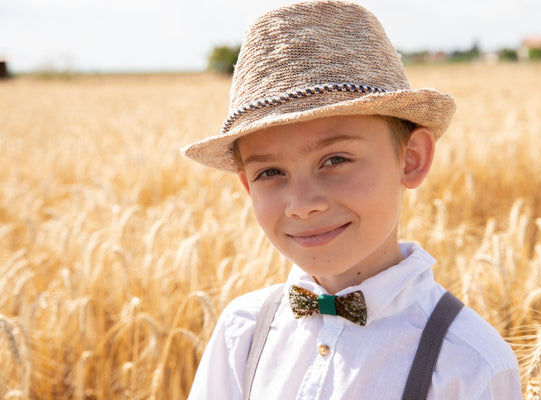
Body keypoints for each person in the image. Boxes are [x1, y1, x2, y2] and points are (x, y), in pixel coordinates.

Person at [182, 1, 522, 399]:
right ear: (247, 186)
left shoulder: (467, 364)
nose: (301, 204)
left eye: (336, 160)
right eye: (270, 173)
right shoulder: (241, 333)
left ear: (411, 160)